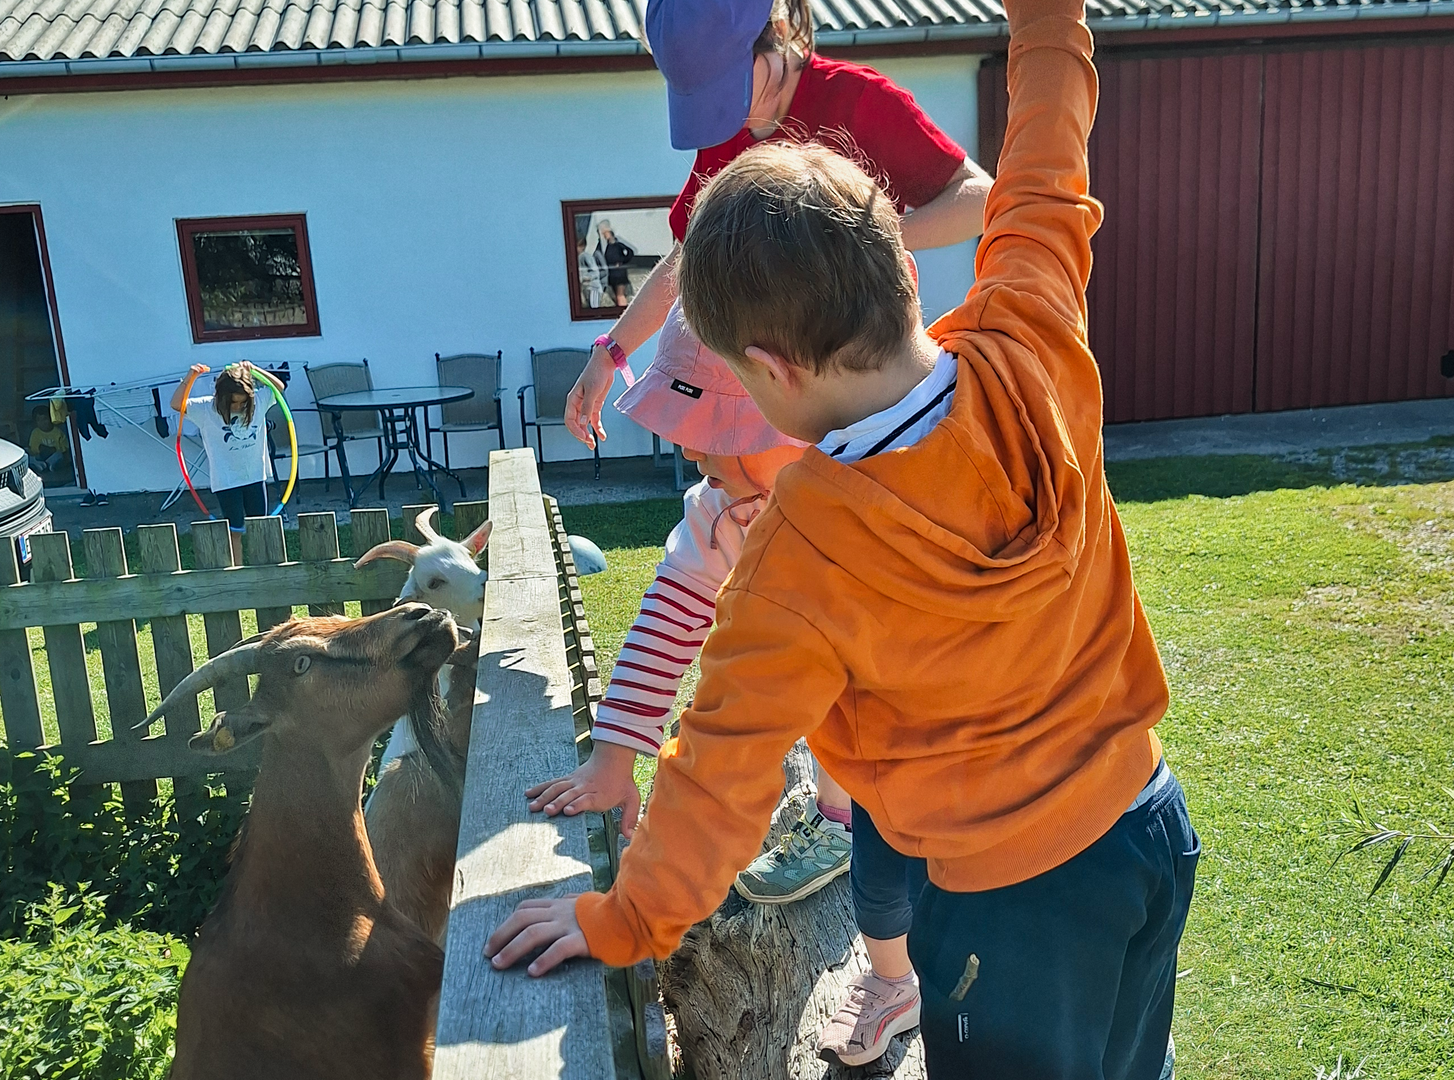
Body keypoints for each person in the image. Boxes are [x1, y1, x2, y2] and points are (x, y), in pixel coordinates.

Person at [487, 0, 1198, 1074]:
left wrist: (622, 923)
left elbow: (716, 777)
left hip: (1005, 909)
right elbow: (1049, 155)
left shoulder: (799, 552)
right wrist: (1047, 17)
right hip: (1149, 830)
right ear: (896, 265)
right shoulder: (1031, 333)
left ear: (767, 368)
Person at [530, 304, 922, 1063]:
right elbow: (667, 619)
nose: (699, 462)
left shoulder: (873, 481)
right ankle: (890, 968)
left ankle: (897, 954)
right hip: (848, 720)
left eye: (721, 443)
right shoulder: (726, 512)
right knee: (876, 872)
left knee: (933, 877)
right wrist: (614, 758)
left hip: (929, 737)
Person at [564, 0, 993, 446]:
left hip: (871, 392)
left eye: (727, 85)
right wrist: (610, 354)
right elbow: (687, 256)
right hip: (783, 402)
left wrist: (862, 242)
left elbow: (979, 197)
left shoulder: (858, 100)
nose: (725, 110)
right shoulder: (727, 129)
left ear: (779, 28)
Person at [169, 361, 285, 565]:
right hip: (226, 481)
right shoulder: (207, 409)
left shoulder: (258, 402)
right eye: (233, 403)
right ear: (221, 397)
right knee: (235, 531)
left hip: (255, 477)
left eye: (242, 403)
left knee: (261, 526)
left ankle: (265, 569)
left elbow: (279, 388)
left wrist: (255, 370)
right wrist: (190, 378)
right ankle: (238, 570)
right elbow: (176, 404)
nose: (238, 407)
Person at [593, 220, 635, 307]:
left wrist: (622, 261)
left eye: (602, 231)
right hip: (609, 274)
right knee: (614, 296)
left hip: (618, 273)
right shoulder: (603, 245)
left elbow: (630, 251)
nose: (601, 234)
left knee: (620, 295)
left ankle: (624, 313)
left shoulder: (616, 243)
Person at [27, 405, 70, 479]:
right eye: (39, 420)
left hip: (53, 456)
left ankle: (49, 466)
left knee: (59, 456)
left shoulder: (58, 432)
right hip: (40, 457)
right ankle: (40, 465)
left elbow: (64, 449)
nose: (42, 422)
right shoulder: (35, 433)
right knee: (27, 455)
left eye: (45, 419)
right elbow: (33, 450)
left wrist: (51, 450)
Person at [577, 236, 607, 310]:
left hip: (593, 287)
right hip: (586, 288)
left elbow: (595, 272)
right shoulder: (578, 257)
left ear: (582, 246)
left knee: (594, 310)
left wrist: (584, 278)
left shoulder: (585, 256)